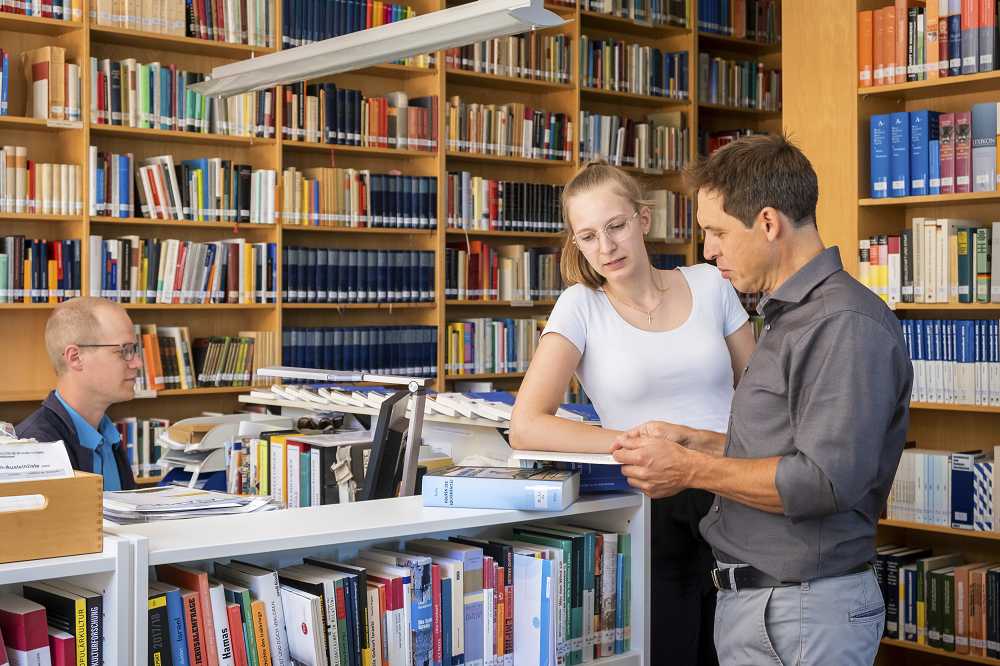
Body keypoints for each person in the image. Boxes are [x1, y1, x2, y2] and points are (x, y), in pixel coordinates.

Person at [612, 134, 913, 664]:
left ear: (769, 223)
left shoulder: (840, 323)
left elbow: (822, 481)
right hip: (776, 610)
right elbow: (791, 442)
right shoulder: (791, 315)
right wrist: (702, 444)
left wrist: (688, 469)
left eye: (717, 232)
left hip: (800, 614)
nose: (707, 251)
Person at [510, 161, 755, 665]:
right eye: (588, 236)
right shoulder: (580, 306)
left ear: (644, 220)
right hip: (649, 503)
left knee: (740, 650)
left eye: (616, 226)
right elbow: (526, 423)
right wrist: (640, 445)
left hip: (734, 491)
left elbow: (760, 395)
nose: (606, 247)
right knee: (668, 650)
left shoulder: (710, 283)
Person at [17, 297, 143, 491]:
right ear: (75, 358)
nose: (137, 363)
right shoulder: (35, 449)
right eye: (124, 351)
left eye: (133, 350)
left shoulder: (110, 436)